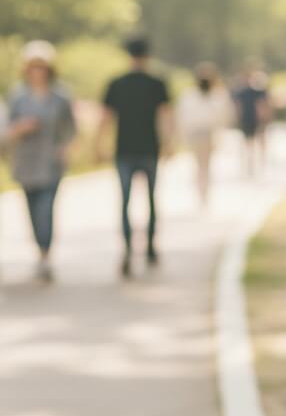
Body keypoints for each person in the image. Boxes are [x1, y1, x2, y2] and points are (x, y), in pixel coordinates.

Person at [99, 35, 173, 278]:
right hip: (149, 148)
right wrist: (168, 143)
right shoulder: (157, 83)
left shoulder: (117, 83)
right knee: (151, 199)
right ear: (148, 56)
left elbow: (106, 117)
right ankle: (150, 246)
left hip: (124, 149)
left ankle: (128, 249)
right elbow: (166, 115)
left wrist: (99, 145)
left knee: (125, 201)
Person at [3, 41, 76, 283]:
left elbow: (70, 128)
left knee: (46, 210)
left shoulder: (60, 96)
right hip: (26, 162)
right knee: (33, 212)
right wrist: (21, 128)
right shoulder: (18, 96)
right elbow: (7, 130)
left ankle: (46, 256)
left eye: (41, 67)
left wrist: (64, 147)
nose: (37, 72)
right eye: (33, 67)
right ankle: (40, 250)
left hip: (51, 162)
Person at [176, 61, 233, 207]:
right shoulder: (208, 95)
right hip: (201, 134)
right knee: (203, 166)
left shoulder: (213, 95)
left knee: (202, 166)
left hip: (206, 134)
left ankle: (203, 192)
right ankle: (203, 192)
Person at [232, 62, 272, 177]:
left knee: (249, 143)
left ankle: (251, 164)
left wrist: (237, 119)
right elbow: (262, 106)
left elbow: (238, 107)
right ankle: (256, 163)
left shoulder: (242, 92)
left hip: (248, 120)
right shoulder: (257, 91)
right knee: (255, 143)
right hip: (254, 120)